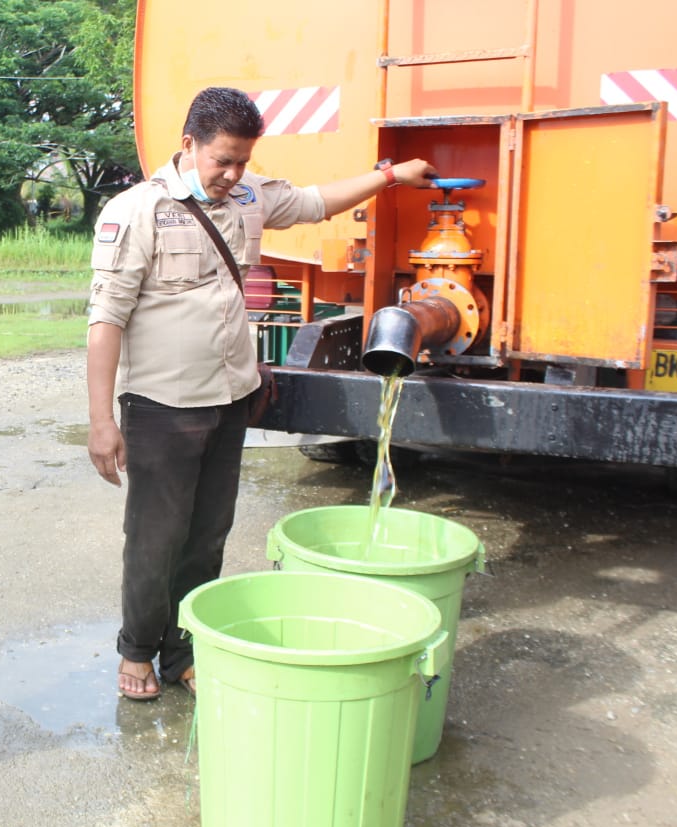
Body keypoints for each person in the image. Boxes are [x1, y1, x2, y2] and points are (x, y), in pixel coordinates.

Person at [86, 86, 437, 701]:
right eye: (222, 159)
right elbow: (105, 321)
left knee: (209, 533)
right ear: (188, 144)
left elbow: (317, 201)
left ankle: (183, 649)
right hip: (163, 408)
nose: (232, 173)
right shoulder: (137, 211)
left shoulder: (249, 197)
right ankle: (137, 649)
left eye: (243, 160)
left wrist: (389, 176)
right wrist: (99, 420)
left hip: (230, 400)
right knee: (155, 536)